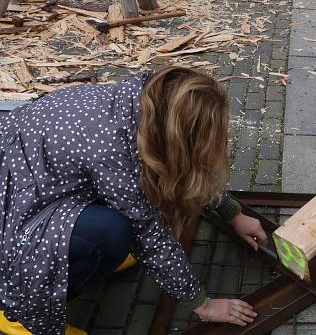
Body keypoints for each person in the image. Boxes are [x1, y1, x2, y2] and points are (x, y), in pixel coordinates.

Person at [0, 67, 270, 334]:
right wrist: (202, 305)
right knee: (113, 231)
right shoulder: (111, 151)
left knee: (123, 217)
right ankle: (21, 312)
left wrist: (232, 213)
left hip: (37, 182)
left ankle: (91, 259)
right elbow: (151, 238)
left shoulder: (139, 103)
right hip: (14, 214)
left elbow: (187, 166)